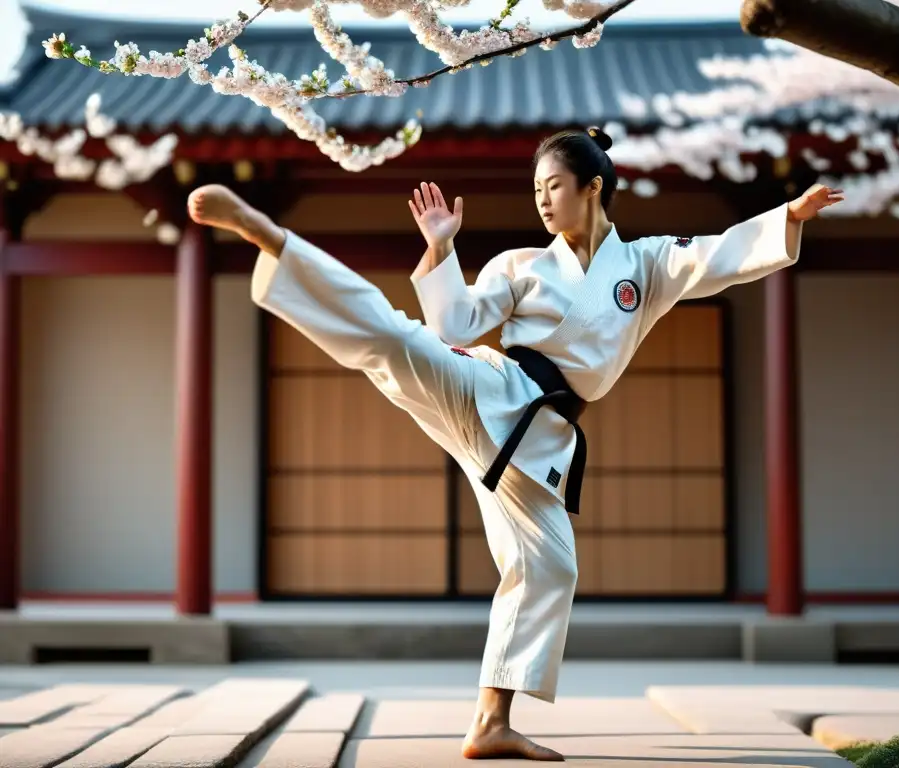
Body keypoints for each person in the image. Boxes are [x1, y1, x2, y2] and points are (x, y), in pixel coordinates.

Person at [185, 126, 842, 761]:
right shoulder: (522, 265)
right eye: (536, 190)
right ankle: (273, 240)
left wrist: (790, 215)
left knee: (551, 567)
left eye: (553, 186)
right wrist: (442, 248)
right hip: (490, 389)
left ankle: (491, 723)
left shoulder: (643, 266)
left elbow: (718, 255)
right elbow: (456, 322)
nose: (542, 199)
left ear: (593, 185)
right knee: (395, 341)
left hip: (538, 442)